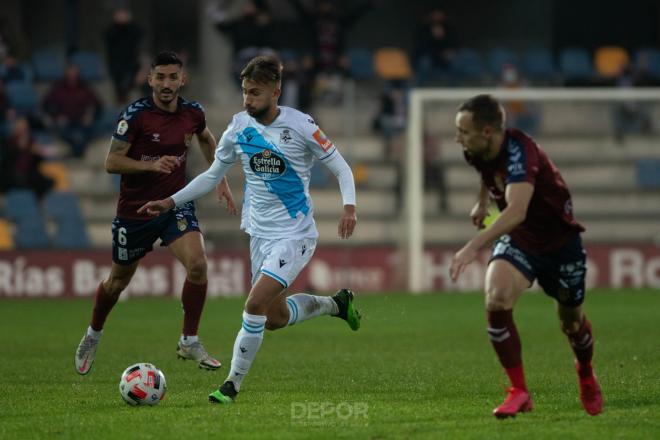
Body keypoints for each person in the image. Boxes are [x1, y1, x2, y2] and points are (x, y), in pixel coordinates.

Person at [138, 55, 361, 404]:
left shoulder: (301, 125)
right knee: (275, 317)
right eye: (244, 92)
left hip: (295, 234)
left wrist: (349, 207)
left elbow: (342, 168)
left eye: (255, 92)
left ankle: (231, 385)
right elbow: (213, 175)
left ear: (276, 91)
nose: (248, 99)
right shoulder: (240, 127)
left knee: (254, 304)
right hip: (259, 235)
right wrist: (170, 201)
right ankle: (336, 304)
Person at [74, 51, 237, 375]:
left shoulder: (193, 113)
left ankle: (189, 340)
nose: (166, 83)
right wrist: (150, 165)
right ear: (150, 79)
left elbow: (205, 138)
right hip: (134, 212)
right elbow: (111, 162)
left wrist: (219, 178)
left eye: (172, 77)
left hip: (175, 203)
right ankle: (93, 333)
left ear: (182, 79)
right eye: (160, 77)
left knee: (199, 265)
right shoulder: (135, 116)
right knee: (117, 282)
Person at [449, 94, 602, 418]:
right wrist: (483, 202)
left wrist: (472, 246)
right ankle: (519, 391)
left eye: (463, 131)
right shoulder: (475, 149)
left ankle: (586, 373)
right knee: (496, 297)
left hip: (560, 242)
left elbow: (517, 210)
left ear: (487, 131)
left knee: (572, 322)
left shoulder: (521, 152)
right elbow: (485, 170)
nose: (457, 138)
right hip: (521, 240)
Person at [42, 63, 102, 158]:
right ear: (66, 74)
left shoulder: (84, 87)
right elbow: (45, 105)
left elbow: (99, 105)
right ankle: (75, 153)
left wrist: (91, 116)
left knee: (88, 132)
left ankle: (79, 154)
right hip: (64, 121)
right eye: (70, 73)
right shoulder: (58, 87)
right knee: (65, 133)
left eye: (74, 73)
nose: (72, 76)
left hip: (81, 120)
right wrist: (56, 116)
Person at [104, 7, 143, 104]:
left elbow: (139, 33)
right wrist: (117, 24)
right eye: (120, 15)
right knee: (116, 96)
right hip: (115, 67)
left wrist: (129, 23)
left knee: (132, 94)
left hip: (131, 67)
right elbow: (108, 36)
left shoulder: (132, 30)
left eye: (124, 15)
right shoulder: (112, 30)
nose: (122, 17)